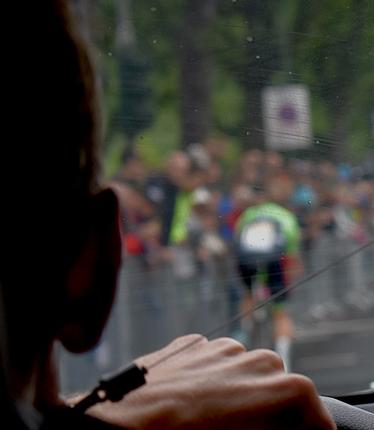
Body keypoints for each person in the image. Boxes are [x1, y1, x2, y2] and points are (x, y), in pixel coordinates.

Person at [1, 2, 334, 429]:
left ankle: (255, 332)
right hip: (261, 266)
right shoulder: (279, 214)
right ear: (93, 267)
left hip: (249, 264)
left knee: (253, 299)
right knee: (271, 304)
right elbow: (285, 246)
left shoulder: (254, 213)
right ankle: (274, 346)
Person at [234, 173, 303, 371]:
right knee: (280, 312)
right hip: (275, 263)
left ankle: (245, 336)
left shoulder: (248, 215)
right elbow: (292, 253)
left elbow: (237, 242)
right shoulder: (286, 216)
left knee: (248, 296)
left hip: (248, 262)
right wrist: (292, 277)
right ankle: (284, 362)